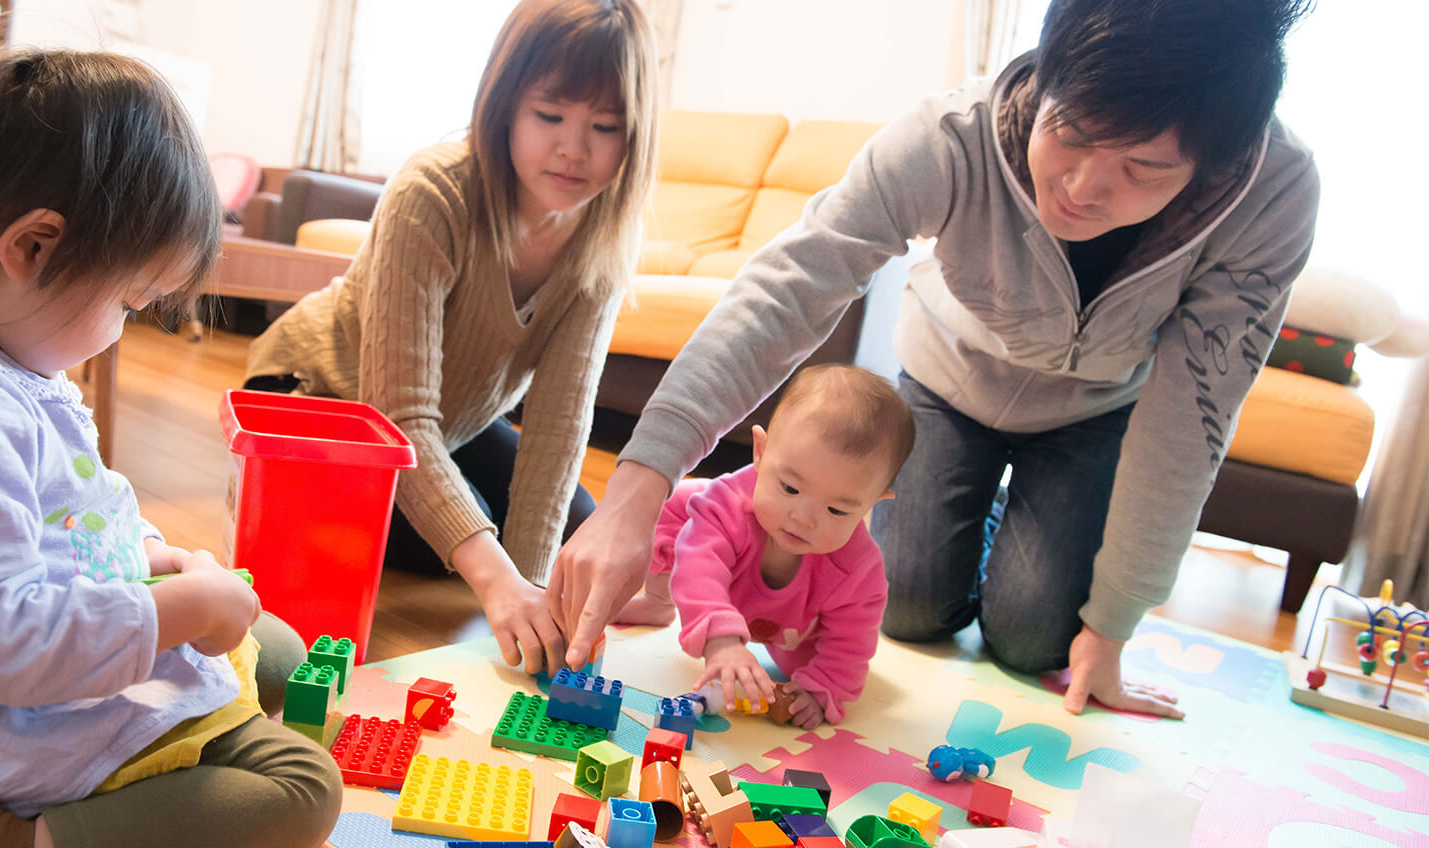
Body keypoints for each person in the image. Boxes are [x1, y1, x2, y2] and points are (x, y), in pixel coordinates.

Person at [551, 0, 1319, 720]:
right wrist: (634, 491)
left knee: (1034, 638)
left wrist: (1114, 625)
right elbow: (790, 286)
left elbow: (1195, 412)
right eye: (1071, 132)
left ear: (1213, 165)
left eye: (1142, 170)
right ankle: (979, 509)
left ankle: (1015, 528)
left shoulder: (1271, 192)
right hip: (948, 383)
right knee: (911, 608)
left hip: (1096, 411)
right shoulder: (954, 133)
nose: (1084, 187)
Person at [0, 51, 341, 848]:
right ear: (33, 247)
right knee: (303, 790)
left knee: (277, 648)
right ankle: (2, 837)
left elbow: (74, 504)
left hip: (55, 666)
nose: (121, 327)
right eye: (128, 302)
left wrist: (151, 557)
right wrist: (177, 611)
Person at [244, 0, 657, 677]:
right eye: (549, 116)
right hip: (324, 396)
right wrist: (497, 583)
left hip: (451, 423)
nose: (573, 150)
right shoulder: (433, 192)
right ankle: (264, 494)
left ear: (632, 134)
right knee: (419, 535)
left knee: (572, 525)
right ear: (505, 106)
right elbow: (397, 417)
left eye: (604, 127)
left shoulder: (605, 233)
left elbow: (557, 429)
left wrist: (527, 594)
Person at [615, 365, 914, 730]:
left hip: (796, 627)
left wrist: (823, 689)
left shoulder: (858, 571)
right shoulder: (725, 507)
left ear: (872, 504)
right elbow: (698, 567)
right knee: (673, 506)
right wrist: (722, 641)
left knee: (802, 672)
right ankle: (658, 603)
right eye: (790, 488)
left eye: (836, 509)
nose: (803, 518)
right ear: (761, 451)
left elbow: (852, 643)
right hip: (719, 583)